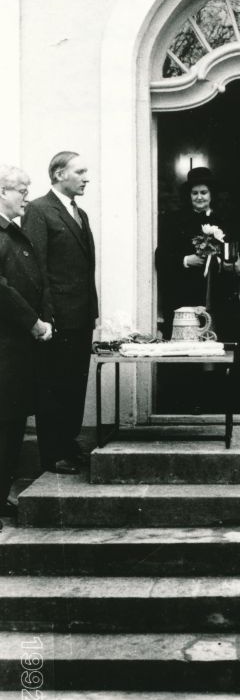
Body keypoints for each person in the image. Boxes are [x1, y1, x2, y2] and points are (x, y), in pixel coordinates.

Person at [22, 151, 98, 474]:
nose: (86, 178)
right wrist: (46, 316)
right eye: (79, 172)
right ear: (58, 175)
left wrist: (93, 314)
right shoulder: (39, 210)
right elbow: (35, 268)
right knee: (53, 387)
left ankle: (69, 445)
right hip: (57, 319)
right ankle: (52, 455)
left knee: (74, 385)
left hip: (80, 318)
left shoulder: (79, 213)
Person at [0, 165, 52, 528]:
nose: (27, 196)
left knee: (11, 425)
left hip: (15, 351)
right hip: (5, 349)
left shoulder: (12, 233)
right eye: (21, 190)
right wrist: (33, 322)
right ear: (1, 193)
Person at [156, 166, 237, 340]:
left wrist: (224, 263)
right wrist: (186, 260)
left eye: (204, 192)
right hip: (184, 293)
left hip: (214, 294)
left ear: (211, 194)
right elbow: (161, 256)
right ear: (189, 195)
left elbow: (231, 256)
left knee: (214, 342)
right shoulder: (174, 221)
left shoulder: (223, 221)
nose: (199, 197)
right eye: (195, 193)